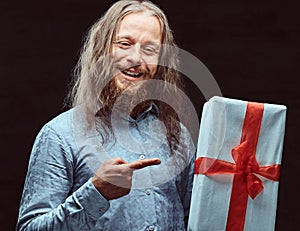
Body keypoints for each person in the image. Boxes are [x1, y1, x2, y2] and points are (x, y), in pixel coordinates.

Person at [17, 0, 195, 230]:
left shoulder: (179, 137)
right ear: (103, 50)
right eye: (124, 44)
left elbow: (198, 220)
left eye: (150, 49)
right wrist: (96, 193)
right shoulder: (59, 135)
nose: (136, 59)